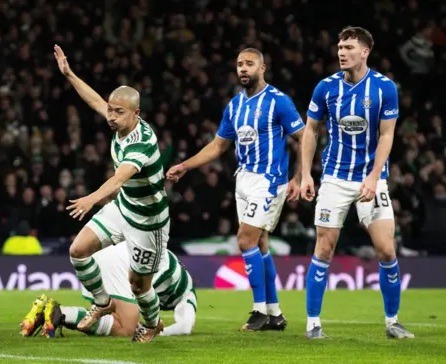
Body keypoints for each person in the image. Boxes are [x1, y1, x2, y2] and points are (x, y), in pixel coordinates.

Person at [166, 48, 304, 331]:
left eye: (249, 64)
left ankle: (258, 310)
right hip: (243, 180)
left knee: (244, 240)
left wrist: (300, 177)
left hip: (269, 180)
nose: (243, 69)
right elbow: (218, 146)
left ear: (262, 67)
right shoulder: (234, 106)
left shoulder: (279, 101)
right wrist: (186, 166)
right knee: (259, 243)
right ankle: (275, 313)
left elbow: (305, 137)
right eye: (239, 64)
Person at [300, 26, 414, 339]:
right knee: (324, 248)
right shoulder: (325, 87)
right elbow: (310, 130)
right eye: (339, 46)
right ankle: (313, 325)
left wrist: (375, 177)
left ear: (365, 51)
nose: (341, 52)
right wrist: (306, 173)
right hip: (335, 178)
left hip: (370, 178)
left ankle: (392, 322)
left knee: (386, 250)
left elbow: (387, 135)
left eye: (349, 47)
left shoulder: (383, 88)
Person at [54, 45, 167, 343]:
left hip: (148, 220)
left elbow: (119, 179)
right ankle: (103, 304)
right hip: (124, 207)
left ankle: (153, 323)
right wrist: (69, 74)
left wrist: (91, 198)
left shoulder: (141, 142)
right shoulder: (117, 121)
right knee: (78, 251)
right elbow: (95, 100)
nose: (111, 117)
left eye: (119, 112)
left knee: (138, 285)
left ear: (136, 113)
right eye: (111, 110)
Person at [21, 243, 196, 338]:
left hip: (100, 255)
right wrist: (153, 330)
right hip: (123, 265)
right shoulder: (186, 291)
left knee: (110, 319)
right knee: (127, 329)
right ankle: (61, 313)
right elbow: (185, 326)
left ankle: (55, 313)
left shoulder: (170, 265)